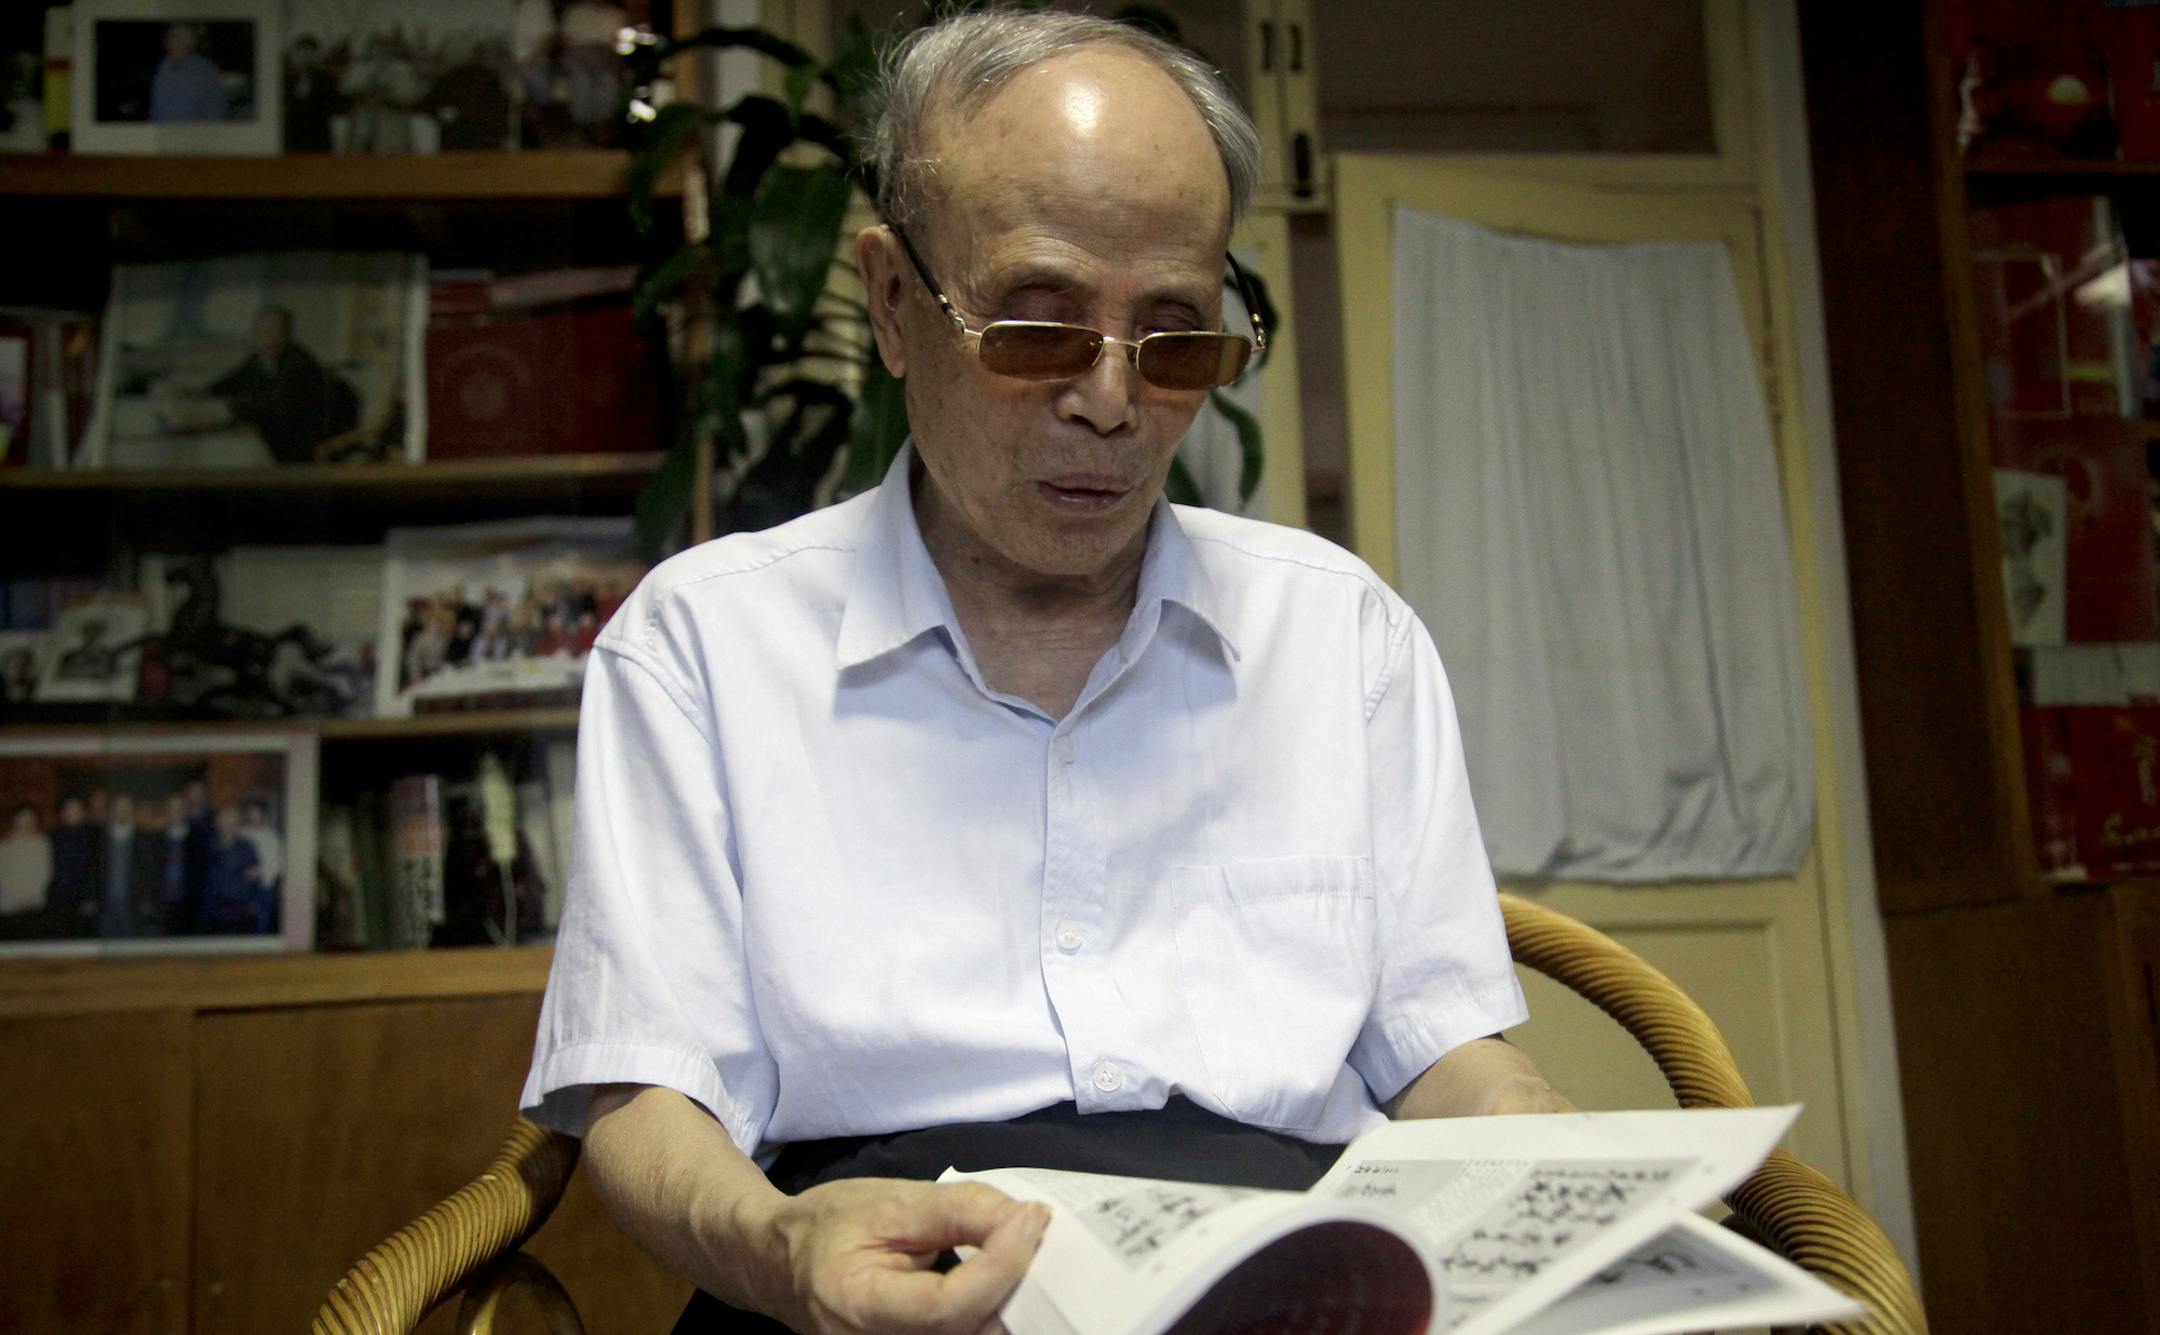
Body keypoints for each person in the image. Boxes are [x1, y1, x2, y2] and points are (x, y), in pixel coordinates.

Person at [520, 11, 1570, 1333]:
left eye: (1177, 337)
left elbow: (1446, 1050)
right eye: (1037, 325)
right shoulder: (708, 647)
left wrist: (1547, 1155)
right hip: (876, 1272)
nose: (1115, 404)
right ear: (895, 304)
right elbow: (642, 1086)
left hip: (1278, 1279)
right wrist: (782, 1243)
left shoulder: (1335, 634)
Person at [207, 306, 356, 464]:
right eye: (262, 331)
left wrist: (231, 411)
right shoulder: (261, 359)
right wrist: (204, 392)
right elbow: (235, 380)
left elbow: (274, 405)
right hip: (272, 437)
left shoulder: (299, 364)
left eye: (275, 331)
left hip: (296, 450)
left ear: (286, 334)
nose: (269, 337)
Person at [148, 23, 228, 124]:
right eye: (168, 38)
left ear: (187, 43)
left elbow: (216, 109)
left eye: (173, 38)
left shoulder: (205, 70)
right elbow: (156, 101)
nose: (167, 42)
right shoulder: (164, 64)